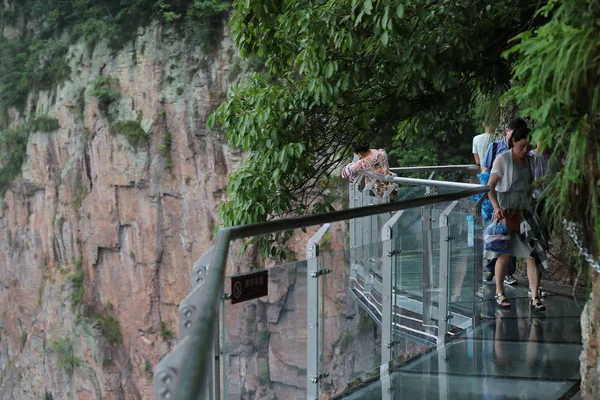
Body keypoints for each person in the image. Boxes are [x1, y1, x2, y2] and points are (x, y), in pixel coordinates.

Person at [486, 127, 548, 311]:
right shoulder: (503, 159)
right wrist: (496, 208)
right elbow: (490, 187)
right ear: (513, 141)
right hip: (505, 213)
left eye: (528, 146)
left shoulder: (530, 160)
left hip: (525, 214)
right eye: (522, 145)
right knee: (504, 255)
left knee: (531, 255)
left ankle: (535, 297)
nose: (525, 149)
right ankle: (499, 292)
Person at [481, 118, 528, 285]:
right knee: (496, 235)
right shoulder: (496, 149)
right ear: (508, 131)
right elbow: (485, 173)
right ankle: (490, 267)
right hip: (498, 200)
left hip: (516, 205)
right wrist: (491, 203)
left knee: (511, 240)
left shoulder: (525, 155)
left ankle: (508, 272)